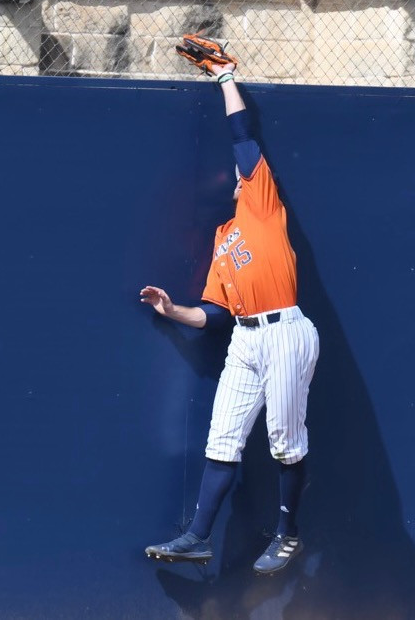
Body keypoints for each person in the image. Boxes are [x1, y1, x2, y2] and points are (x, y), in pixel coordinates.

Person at [139, 57, 320, 575]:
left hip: (285, 329)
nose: (241, 179)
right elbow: (214, 315)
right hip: (243, 338)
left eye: (246, 176)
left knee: (285, 440)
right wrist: (173, 309)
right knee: (222, 438)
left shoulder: (263, 205)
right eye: (239, 179)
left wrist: (224, 78)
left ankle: (288, 535)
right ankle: (197, 537)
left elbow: (243, 136)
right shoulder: (223, 240)